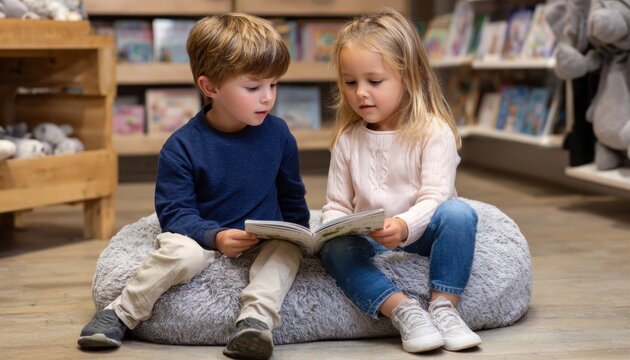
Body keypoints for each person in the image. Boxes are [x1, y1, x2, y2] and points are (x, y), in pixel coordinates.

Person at [77, 13, 310, 360]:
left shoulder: (278, 134)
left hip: (262, 238)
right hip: (201, 238)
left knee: (287, 253)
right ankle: (120, 313)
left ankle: (254, 323)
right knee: (178, 253)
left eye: (273, 85)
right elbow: (174, 213)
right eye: (253, 87)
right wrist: (214, 237)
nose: (268, 98)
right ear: (210, 87)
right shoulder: (182, 146)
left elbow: (292, 195)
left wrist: (301, 234)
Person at [318, 8, 482, 353]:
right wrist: (332, 228)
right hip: (370, 239)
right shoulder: (348, 139)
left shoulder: (433, 131)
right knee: (334, 249)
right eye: (350, 82)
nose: (361, 92)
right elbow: (336, 204)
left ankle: (443, 307)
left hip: (421, 234)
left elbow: (435, 197)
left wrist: (404, 226)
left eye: (374, 82)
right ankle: (403, 310)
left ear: (409, 78)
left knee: (459, 214)